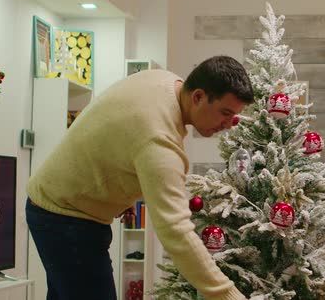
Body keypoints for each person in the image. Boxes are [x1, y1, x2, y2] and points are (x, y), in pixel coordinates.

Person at [26, 56, 254, 300]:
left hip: (57, 204)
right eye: (225, 113)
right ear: (198, 96)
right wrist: (229, 294)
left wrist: (125, 191)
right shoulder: (158, 140)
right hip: (66, 217)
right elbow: (176, 231)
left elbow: (119, 129)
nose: (229, 124)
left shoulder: (165, 80)